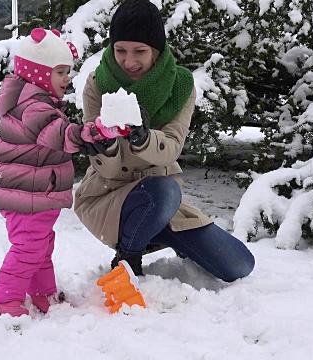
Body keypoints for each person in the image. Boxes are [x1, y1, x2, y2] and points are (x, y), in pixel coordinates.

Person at [74, 0, 255, 281]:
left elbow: (172, 146)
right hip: (110, 195)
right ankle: (128, 256)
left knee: (239, 265)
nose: (129, 61)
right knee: (165, 191)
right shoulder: (98, 84)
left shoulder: (180, 86)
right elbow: (106, 169)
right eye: (120, 50)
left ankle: (156, 228)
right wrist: (104, 144)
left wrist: (144, 138)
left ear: (156, 51)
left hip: (164, 200)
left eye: (140, 51)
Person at [0, 28, 104, 317]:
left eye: (68, 71)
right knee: (29, 247)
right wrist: (92, 133)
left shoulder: (36, 102)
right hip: (26, 193)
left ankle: (42, 293)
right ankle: (7, 298)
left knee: (41, 245)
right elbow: (60, 135)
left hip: (35, 192)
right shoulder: (34, 107)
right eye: (61, 72)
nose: (68, 78)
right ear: (39, 74)